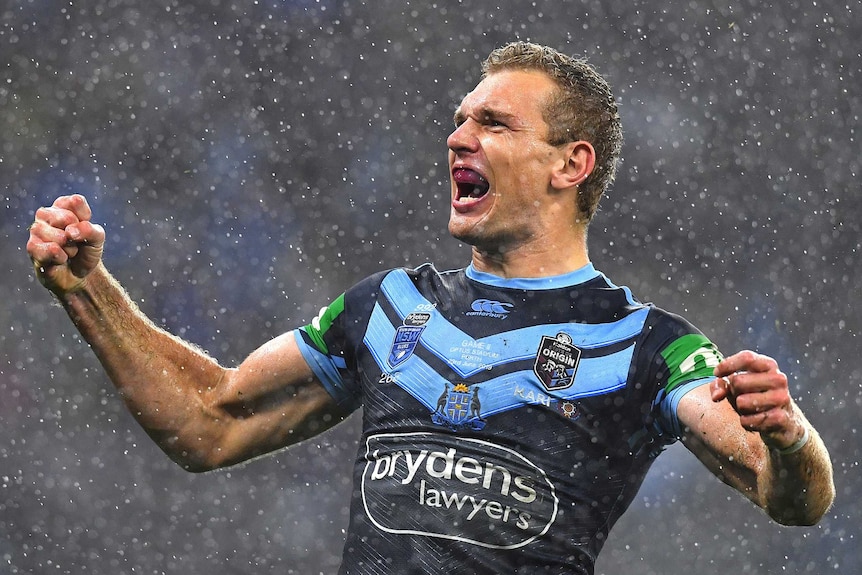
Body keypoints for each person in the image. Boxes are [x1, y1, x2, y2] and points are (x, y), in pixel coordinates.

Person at [27, 42, 834, 574]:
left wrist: (790, 436)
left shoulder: (642, 343)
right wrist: (88, 290)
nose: (457, 136)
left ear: (570, 164)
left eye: (491, 121)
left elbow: (792, 494)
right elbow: (207, 421)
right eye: (457, 119)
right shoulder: (388, 307)